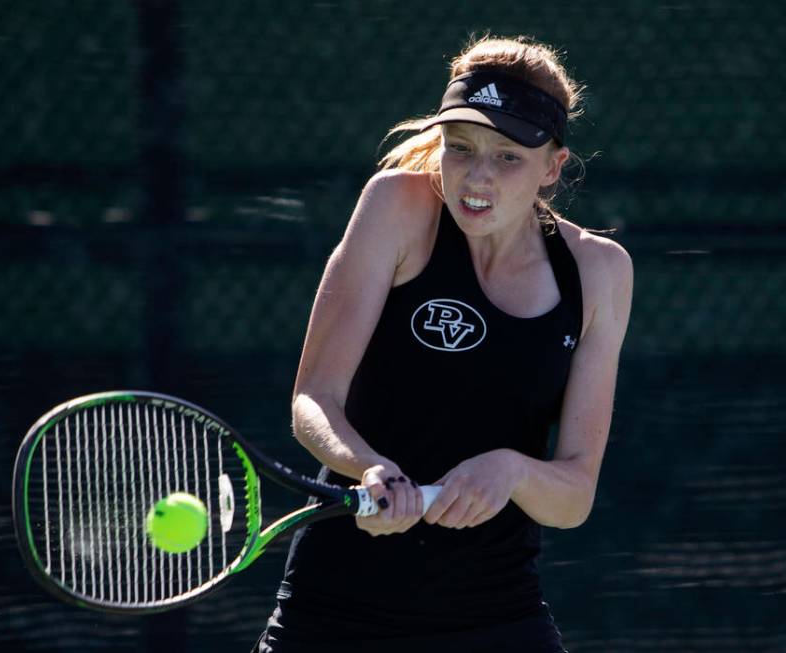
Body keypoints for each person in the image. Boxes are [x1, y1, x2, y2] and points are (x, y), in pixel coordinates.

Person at [253, 34, 633, 653]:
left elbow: (573, 497)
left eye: (507, 157)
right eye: (460, 149)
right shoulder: (396, 207)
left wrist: (509, 470)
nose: (476, 176)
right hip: (335, 612)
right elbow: (314, 400)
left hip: (497, 614)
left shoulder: (600, 272)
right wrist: (369, 468)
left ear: (553, 167)